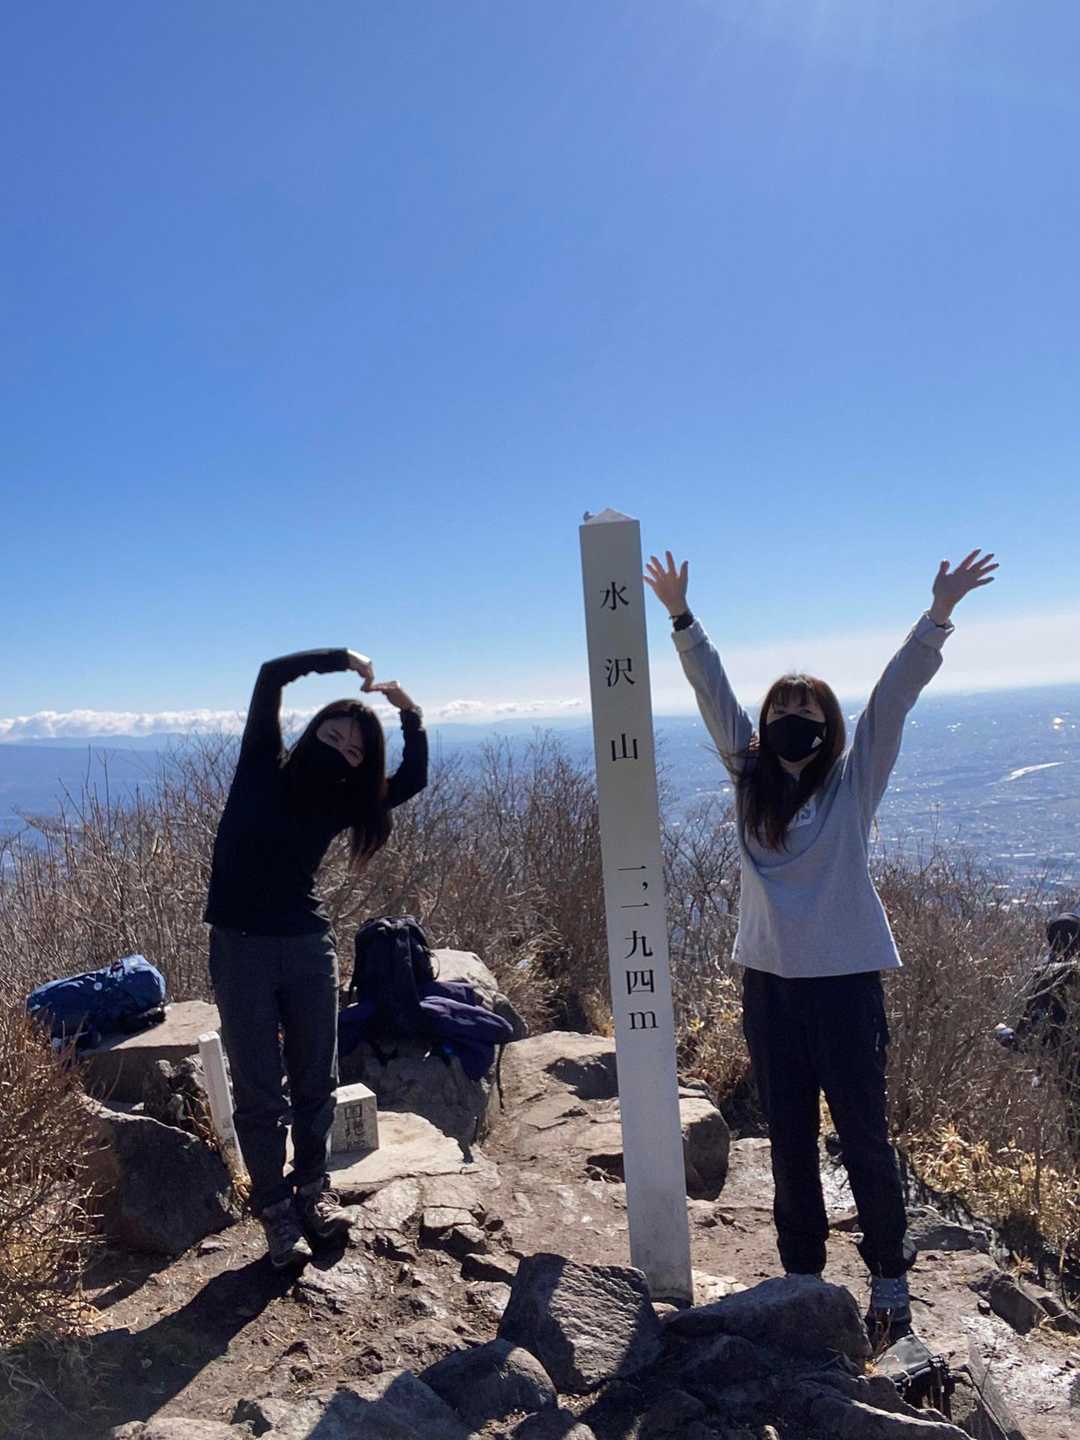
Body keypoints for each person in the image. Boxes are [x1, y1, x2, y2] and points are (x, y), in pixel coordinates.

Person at [645, 548, 997, 1344]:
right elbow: (713, 694)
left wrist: (939, 614)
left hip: (845, 987)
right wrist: (681, 618)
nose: (791, 722)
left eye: (806, 711)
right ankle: (802, 1277)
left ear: (828, 725)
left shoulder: (851, 782)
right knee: (791, 1139)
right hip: (769, 987)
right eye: (781, 711)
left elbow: (893, 699)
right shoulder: (751, 782)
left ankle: (890, 1277)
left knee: (864, 1136)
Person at [204, 648, 427, 1268]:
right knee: (258, 1091)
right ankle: (275, 1211)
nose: (341, 751)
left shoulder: (342, 800)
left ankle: (312, 1190)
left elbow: (411, 780)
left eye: (354, 751)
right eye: (334, 735)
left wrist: (409, 713)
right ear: (313, 730)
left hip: (307, 947)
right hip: (241, 949)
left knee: (316, 1081)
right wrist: (340, 659)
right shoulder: (262, 765)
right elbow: (270, 675)